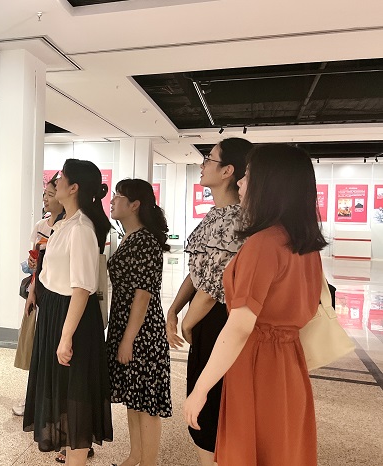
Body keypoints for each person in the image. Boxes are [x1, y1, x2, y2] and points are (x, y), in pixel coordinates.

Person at [184, 144, 327, 466]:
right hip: (289, 362)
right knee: (281, 446)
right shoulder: (305, 245)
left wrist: (201, 388)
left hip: (256, 360)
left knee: (249, 447)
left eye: (248, 175)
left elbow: (239, 327)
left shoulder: (263, 244)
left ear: (268, 185)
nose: (241, 182)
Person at [165, 137, 252, 466]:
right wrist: (174, 310)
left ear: (228, 170)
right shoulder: (215, 215)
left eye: (210, 159)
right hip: (203, 317)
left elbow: (215, 285)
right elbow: (197, 271)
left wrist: (188, 321)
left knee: (209, 409)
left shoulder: (236, 219)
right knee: (204, 403)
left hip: (217, 320)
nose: (203, 165)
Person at [23, 159, 113, 466]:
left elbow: (82, 288)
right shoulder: (64, 224)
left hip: (70, 318)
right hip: (55, 314)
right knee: (62, 393)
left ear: (73, 188)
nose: (55, 182)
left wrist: (65, 336)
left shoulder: (82, 229)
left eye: (61, 177)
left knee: (76, 396)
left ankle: (77, 458)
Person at [107, 179, 172, 466]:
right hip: (127, 325)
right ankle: (135, 456)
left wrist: (128, 339)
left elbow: (143, 295)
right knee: (134, 396)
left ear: (135, 205)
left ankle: (148, 462)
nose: (112, 201)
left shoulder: (144, 241)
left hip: (142, 331)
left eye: (118, 196)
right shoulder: (129, 237)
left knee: (146, 402)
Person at [13, 175, 65, 416]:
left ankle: (52, 401)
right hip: (41, 291)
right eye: (45, 193)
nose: (45, 198)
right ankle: (34, 398)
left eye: (51, 194)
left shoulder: (68, 226)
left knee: (54, 349)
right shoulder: (40, 226)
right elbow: (34, 264)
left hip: (60, 294)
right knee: (37, 347)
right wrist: (32, 292)